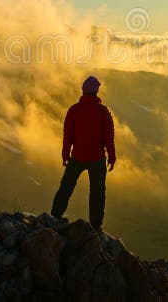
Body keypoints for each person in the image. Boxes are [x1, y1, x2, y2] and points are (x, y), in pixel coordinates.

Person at [50, 75, 116, 232]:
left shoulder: (74, 110)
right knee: (97, 193)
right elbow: (109, 137)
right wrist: (112, 158)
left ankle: (54, 216)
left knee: (66, 186)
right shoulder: (103, 111)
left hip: (77, 157)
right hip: (97, 158)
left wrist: (65, 155)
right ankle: (96, 226)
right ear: (96, 91)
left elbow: (68, 136)